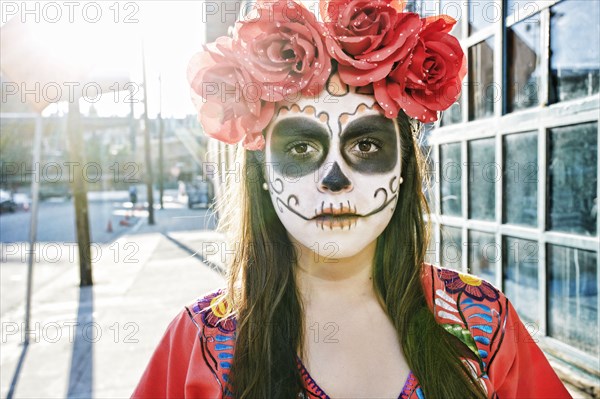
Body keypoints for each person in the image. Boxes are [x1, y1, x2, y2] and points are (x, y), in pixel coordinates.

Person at [132, 1, 572, 398]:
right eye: (302, 149)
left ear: (404, 169)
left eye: (366, 146)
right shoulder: (196, 343)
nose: (335, 179)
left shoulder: (483, 318)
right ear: (263, 173)